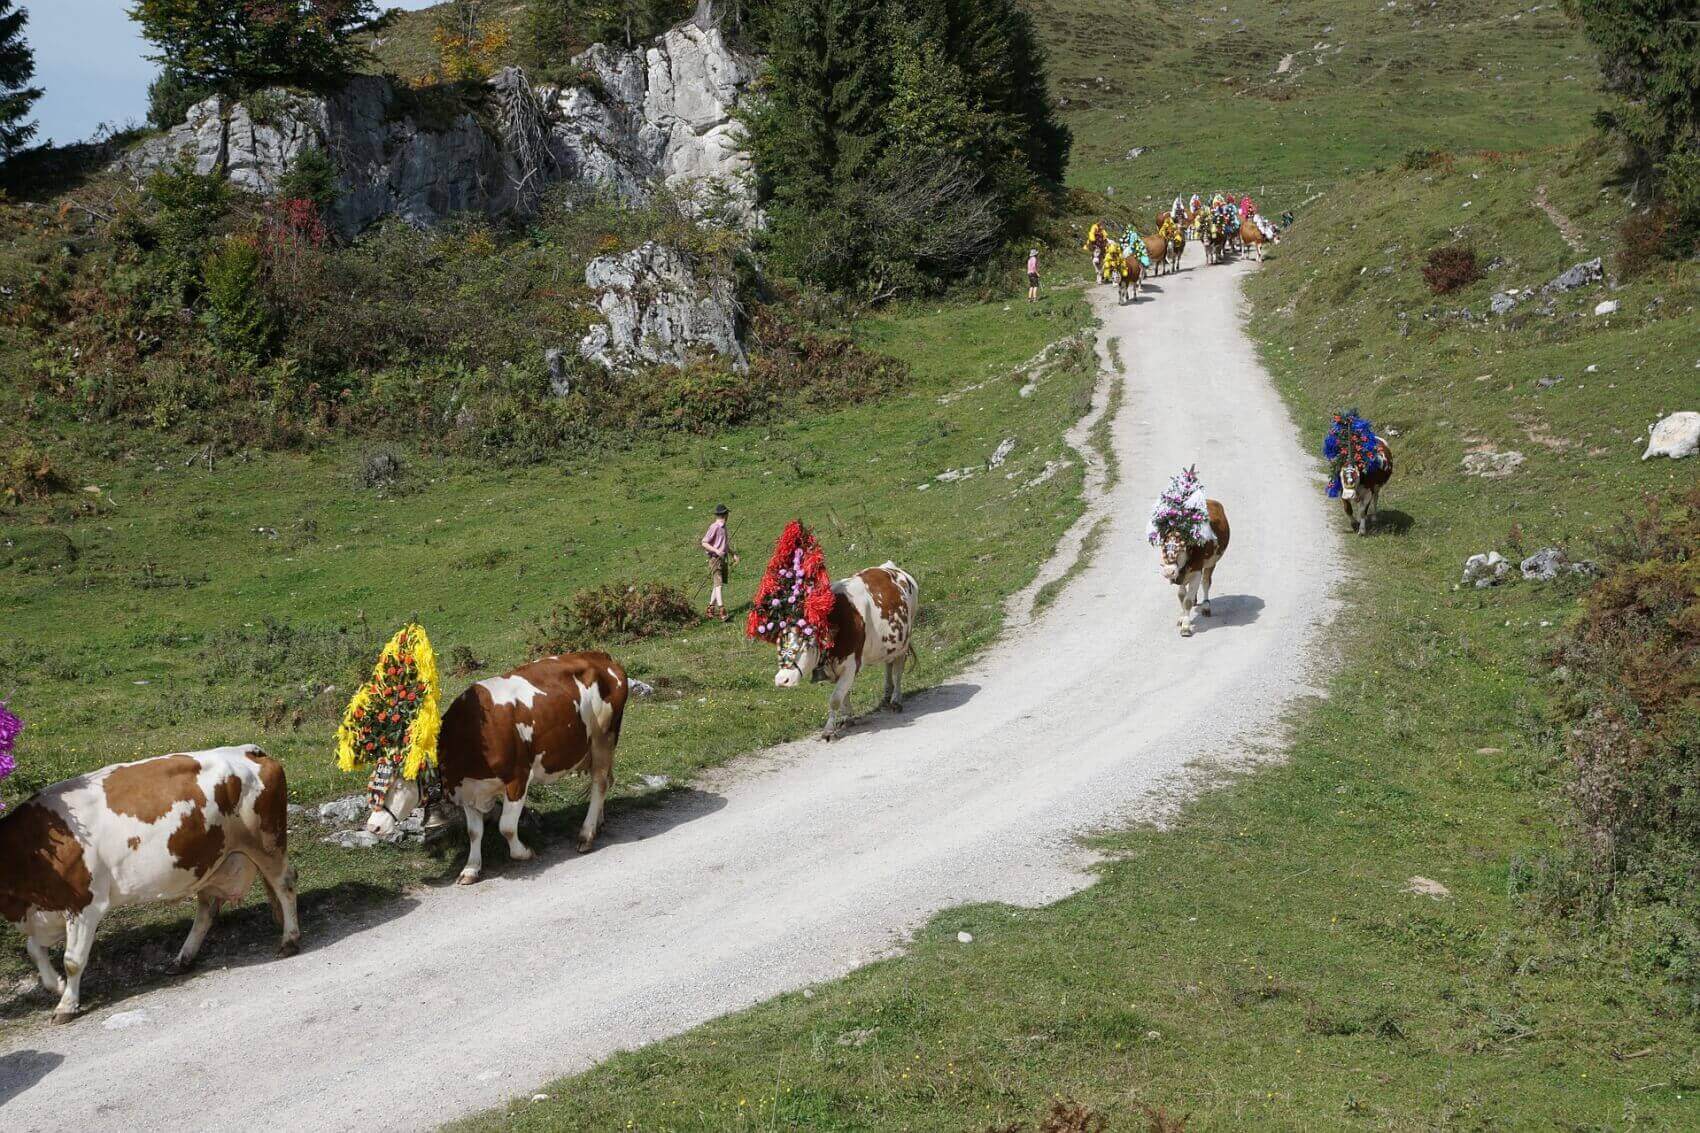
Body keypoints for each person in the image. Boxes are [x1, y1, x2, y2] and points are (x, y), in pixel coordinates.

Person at [700, 504, 739, 621]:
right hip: (714, 559)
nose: (728, 516)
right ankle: (722, 610)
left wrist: (733, 554)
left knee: (717, 584)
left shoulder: (724, 527)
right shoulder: (715, 527)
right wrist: (716, 550)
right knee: (719, 584)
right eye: (727, 513)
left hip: (722, 559)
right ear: (725, 514)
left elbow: (724, 545)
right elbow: (704, 542)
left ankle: (710, 608)